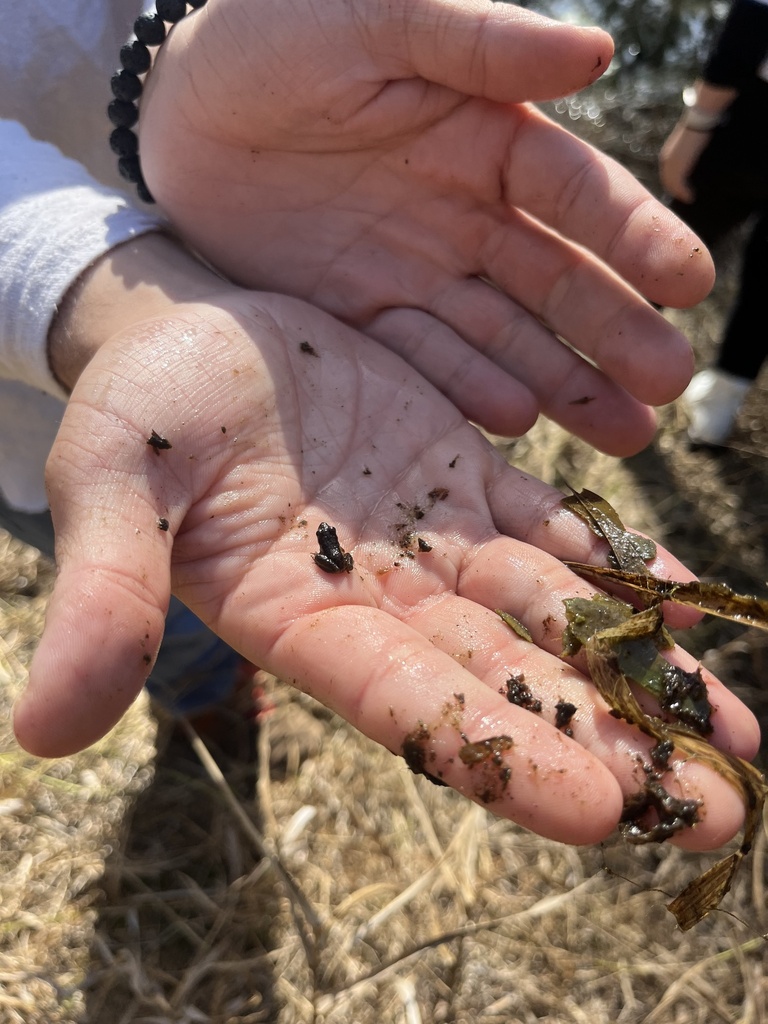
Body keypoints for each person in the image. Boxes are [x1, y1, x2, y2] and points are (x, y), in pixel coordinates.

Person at [0, 0, 758, 850]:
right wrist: (88, 284)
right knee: (173, 616)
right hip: (32, 422)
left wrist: (177, 38)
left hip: (281, 264)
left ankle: (215, 683)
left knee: (208, 591)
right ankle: (205, 707)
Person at [659, 0, 768, 446]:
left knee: (671, 249)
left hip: (749, 133)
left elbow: (756, 17)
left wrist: (695, 126)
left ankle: (612, 370)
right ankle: (716, 416)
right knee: (766, 286)